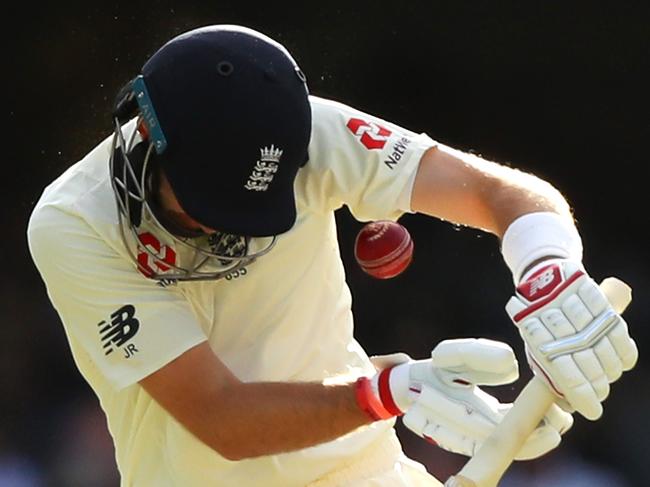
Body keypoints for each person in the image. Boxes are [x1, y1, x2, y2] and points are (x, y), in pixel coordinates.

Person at [27, 25, 637, 487]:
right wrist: (390, 391)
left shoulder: (307, 132)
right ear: (149, 141)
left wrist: (550, 273)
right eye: (206, 207)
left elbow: (498, 193)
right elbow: (222, 417)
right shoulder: (74, 224)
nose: (224, 237)